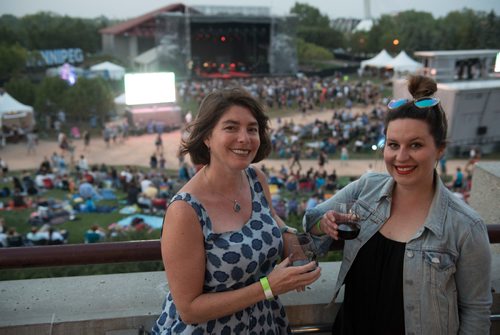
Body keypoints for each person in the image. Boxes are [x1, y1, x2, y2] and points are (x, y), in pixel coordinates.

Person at [303, 75, 491, 334]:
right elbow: (310, 223)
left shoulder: (466, 226)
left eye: (415, 145)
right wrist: (323, 225)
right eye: (393, 144)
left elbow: (476, 312)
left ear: (440, 149)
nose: (401, 157)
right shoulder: (365, 188)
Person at [152, 87, 320, 334]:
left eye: (252, 129)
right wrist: (268, 286)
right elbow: (189, 309)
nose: (245, 138)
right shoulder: (185, 210)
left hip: (263, 323)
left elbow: (270, 217)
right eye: (231, 127)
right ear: (207, 137)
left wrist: (291, 241)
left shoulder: (255, 179)